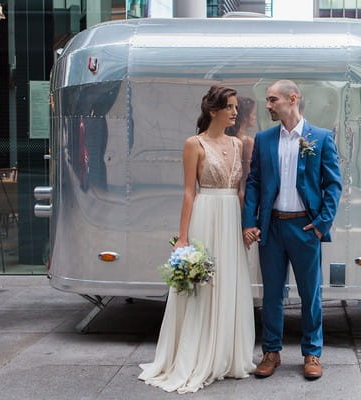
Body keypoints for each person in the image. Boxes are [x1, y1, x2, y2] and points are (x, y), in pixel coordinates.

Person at [139, 85, 256, 393]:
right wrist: (183, 237)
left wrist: (247, 223)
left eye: (235, 107)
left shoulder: (240, 143)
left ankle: (227, 356)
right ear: (213, 111)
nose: (235, 112)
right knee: (204, 286)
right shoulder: (194, 144)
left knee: (230, 281)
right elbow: (189, 193)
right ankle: (196, 354)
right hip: (206, 214)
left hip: (231, 216)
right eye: (229, 107)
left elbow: (243, 190)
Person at [242, 80, 342, 380]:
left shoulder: (321, 138)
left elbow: (333, 184)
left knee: (310, 293)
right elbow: (255, 182)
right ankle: (271, 352)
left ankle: (312, 353)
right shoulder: (264, 139)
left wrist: (321, 224)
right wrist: (250, 221)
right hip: (271, 227)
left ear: (292, 98)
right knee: (272, 293)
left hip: (305, 227)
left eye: (273, 100)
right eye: (267, 100)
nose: (268, 105)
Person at [225, 96, 257, 194]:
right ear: (245, 117)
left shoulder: (227, 137)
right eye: (253, 114)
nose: (254, 117)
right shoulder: (247, 141)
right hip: (240, 192)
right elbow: (247, 175)